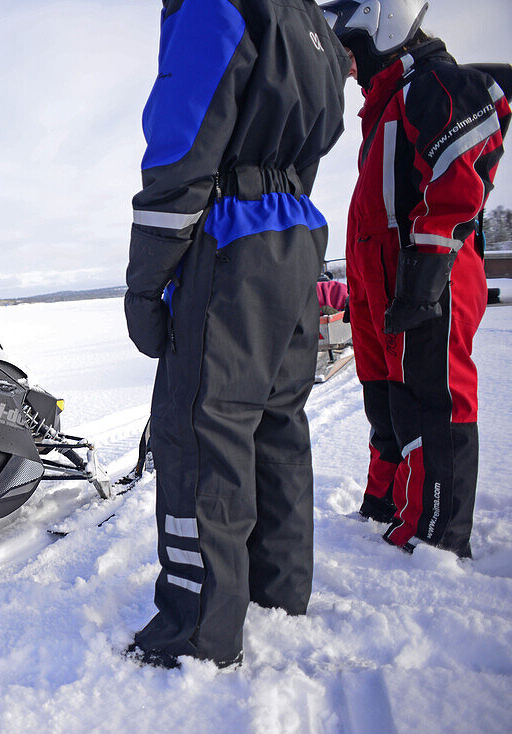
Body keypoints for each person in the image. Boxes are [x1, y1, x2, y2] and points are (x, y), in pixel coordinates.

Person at [123, 0, 350, 668]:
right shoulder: (310, 22)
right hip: (296, 228)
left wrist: (146, 283)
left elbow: (184, 137)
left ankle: (197, 629)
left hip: (231, 235)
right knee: (276, 422)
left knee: (201, 427)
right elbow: (320, 129)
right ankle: (277, 590)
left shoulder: (216, 3)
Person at [321, 0, 510, 557]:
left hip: (426, 279)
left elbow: (458, 175)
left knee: (434, 400)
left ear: (383, 27)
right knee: (386, 404)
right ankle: (386, 503)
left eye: (352, 53)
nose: (350, 68)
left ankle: (435, 536)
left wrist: (427, 274)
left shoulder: (434, 85)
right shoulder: (384, 109)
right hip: (381, 288)